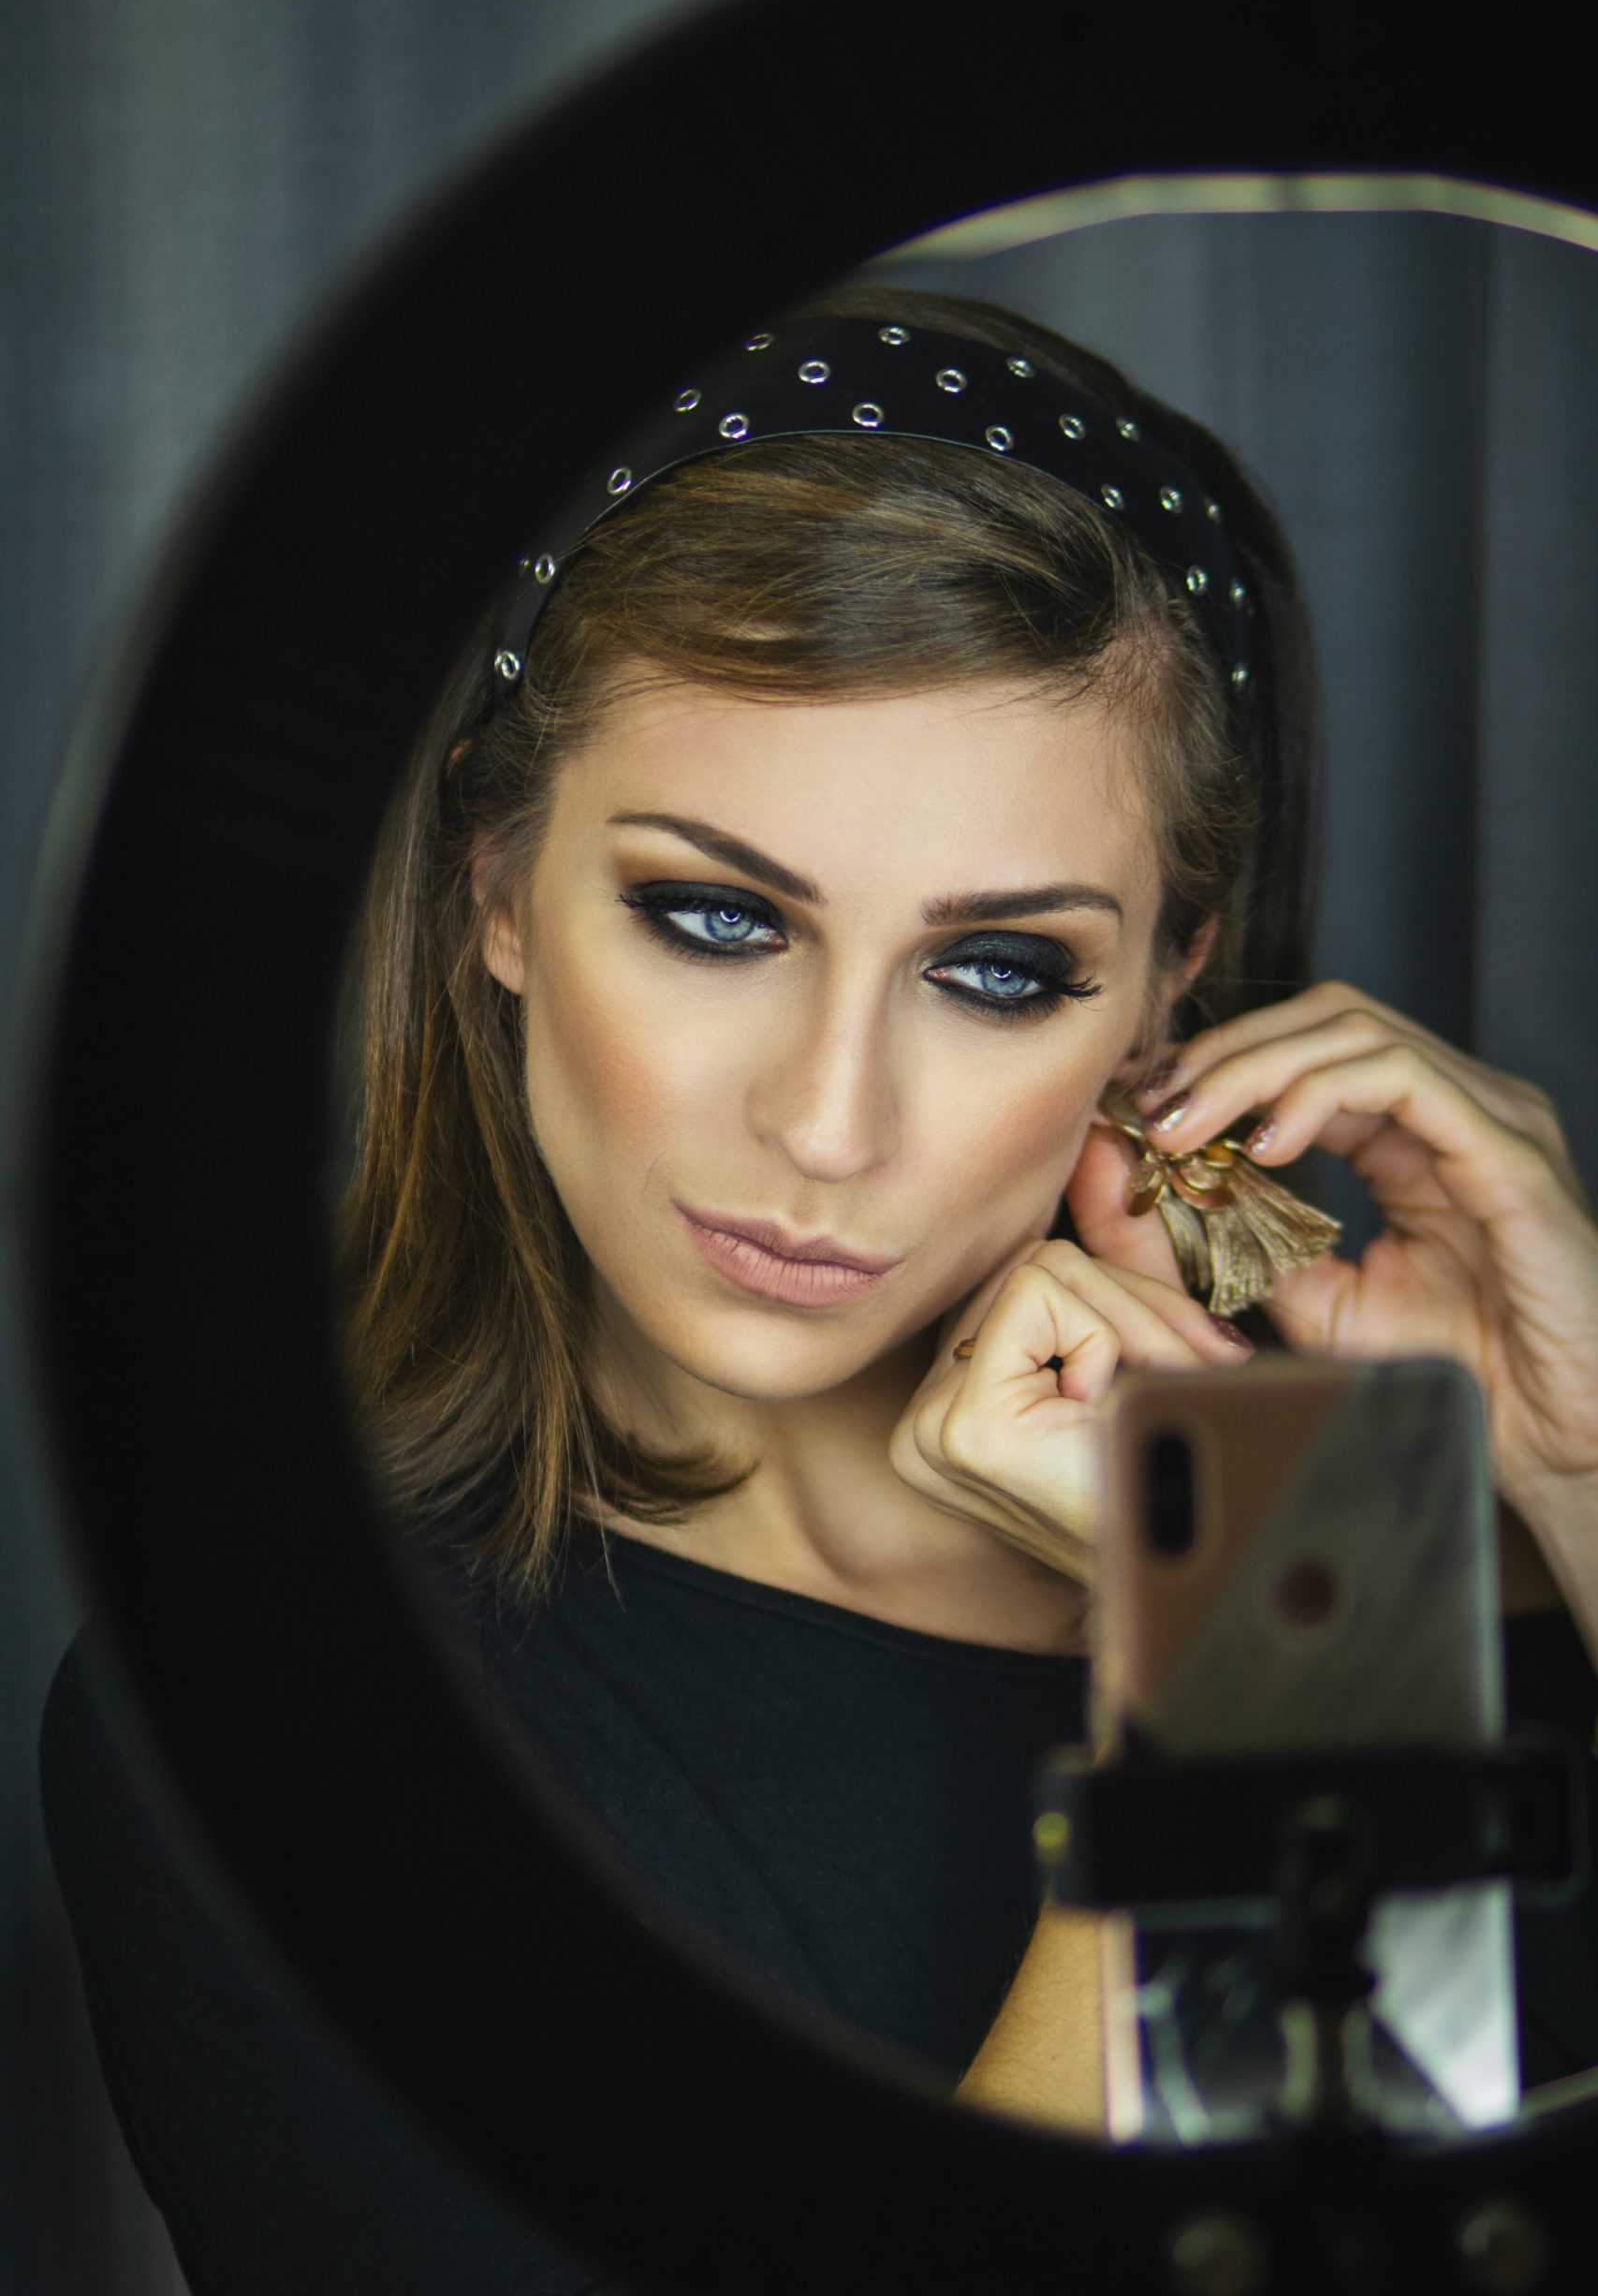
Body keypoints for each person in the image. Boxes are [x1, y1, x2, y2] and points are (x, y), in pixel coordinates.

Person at [39, 286, 1598, 2294]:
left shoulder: (1438, 1556)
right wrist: (1242, 1704)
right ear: (497, 890)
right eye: (712, 914)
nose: (828, 1120)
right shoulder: (268, 1730)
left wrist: (1571, 1462)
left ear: (1163, 991)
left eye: (996, 968)